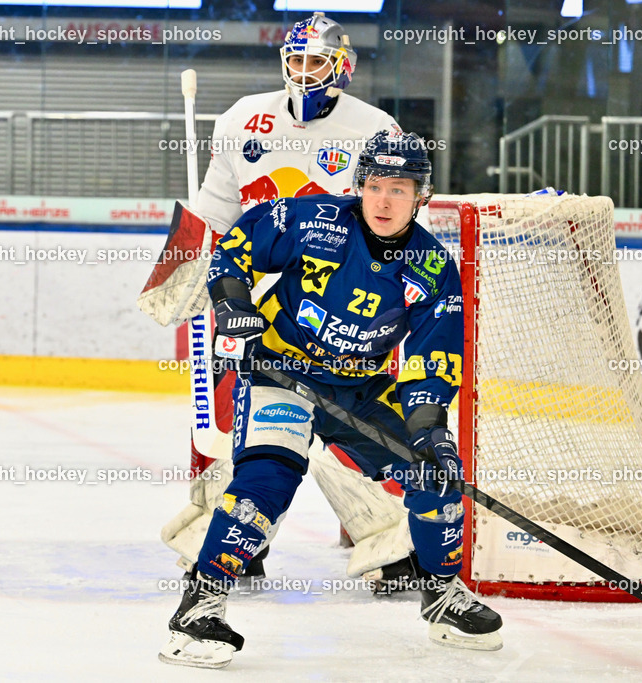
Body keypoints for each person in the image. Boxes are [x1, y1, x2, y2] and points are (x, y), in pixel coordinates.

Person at [158, 130, 503, 669]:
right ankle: (199, 605)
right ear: (360, 186)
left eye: (400, 187)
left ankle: (442, 594)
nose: (385, 200)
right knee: (266, 482)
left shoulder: (433, 267)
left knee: (433, 472)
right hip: (281, 373)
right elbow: (235, 250)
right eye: (374, 185)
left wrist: (431, 433)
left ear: (421, 195)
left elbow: (433, 361)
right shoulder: (313, 220)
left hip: (359, 387)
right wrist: (232, 304)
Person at [161, 11, 415, 592]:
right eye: (295, 61)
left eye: (315, 62)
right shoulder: (241, 119)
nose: (303, 74)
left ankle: (389, 541)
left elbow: (392, 218)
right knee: (235, 424)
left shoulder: (375, 129)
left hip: (340, 305)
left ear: (342, 65)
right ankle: (230, 543)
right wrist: (190, 275)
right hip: (251, 306)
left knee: (356, 424)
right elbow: (214, 214)